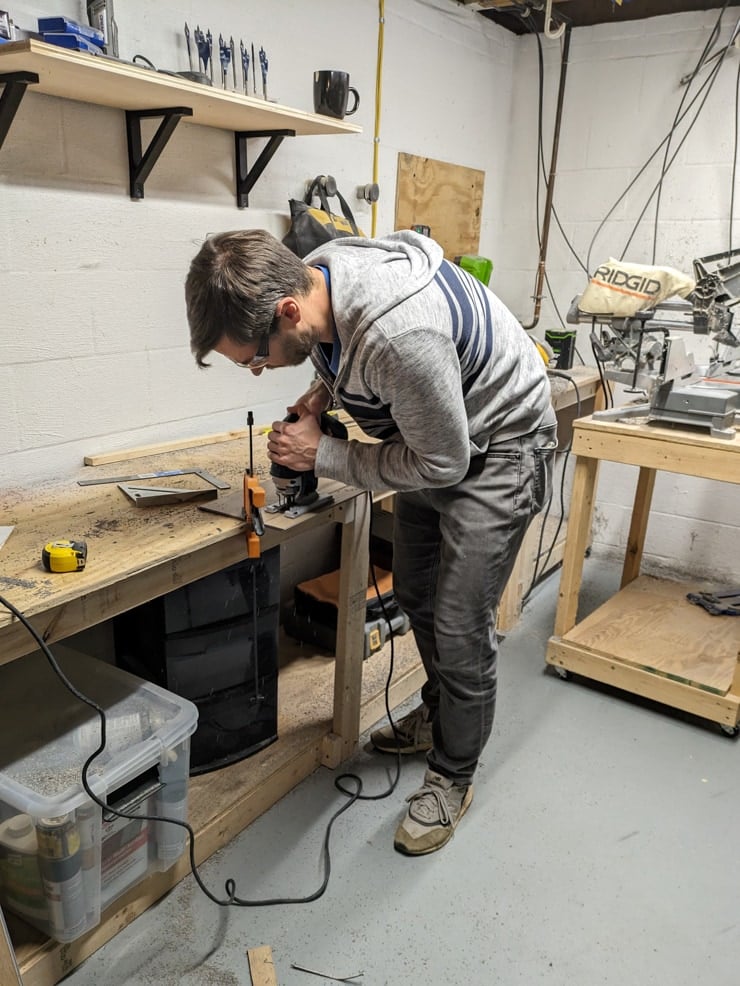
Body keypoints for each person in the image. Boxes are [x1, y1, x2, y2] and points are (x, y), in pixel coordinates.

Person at [185, 228, 557, 856]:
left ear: (288, 311)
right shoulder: (317, 276)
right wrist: (322, 394)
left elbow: (444, 463)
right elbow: (350, 355)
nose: (257, 370)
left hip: (500, 446)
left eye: (254, 358)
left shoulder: (398, 336)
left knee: (460, 623)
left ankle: (453, 774)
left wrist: (323, 454)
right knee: (416, 593)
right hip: (437, 436)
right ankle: (439, 714)